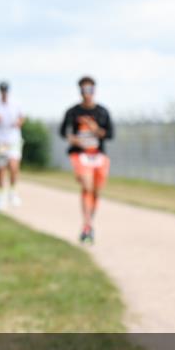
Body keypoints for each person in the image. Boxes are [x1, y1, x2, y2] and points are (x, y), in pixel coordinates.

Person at [59, 76, 113, 245]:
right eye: (84, 90)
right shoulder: (73, 112)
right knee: (87, 186)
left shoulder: (102, 112)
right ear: (80, 91)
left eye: (90, 89)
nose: (87, 93)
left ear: (94, 90)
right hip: (80, 154)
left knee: (95, 191)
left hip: (98, 155)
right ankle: (87, 225)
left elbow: (110, 134)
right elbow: (63, 132)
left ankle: (88, 225)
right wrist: (73, 139)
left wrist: (95, 129)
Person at [0, 80, 25, 210]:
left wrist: (18, 123)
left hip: (13, 140)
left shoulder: (16, 103)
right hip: (0, 141)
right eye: (2, 91)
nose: (4, 93)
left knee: (13, 166)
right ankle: (1, 194)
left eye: (6, 91)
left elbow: (22, 118)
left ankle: (12, 192)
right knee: (1, 168)